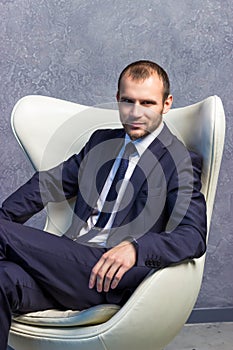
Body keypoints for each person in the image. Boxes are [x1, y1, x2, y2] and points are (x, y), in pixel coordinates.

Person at [0, 60, 207, 349]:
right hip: (67, 267)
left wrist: (137, 249)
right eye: (128, 101)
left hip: (109, 277)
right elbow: (47, 185)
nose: (136, 113)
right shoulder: (100, 142)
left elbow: (193, 236)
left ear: (166, 104)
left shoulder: (179, 161)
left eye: (147, 103)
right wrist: (4, 218)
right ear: (117, 100)